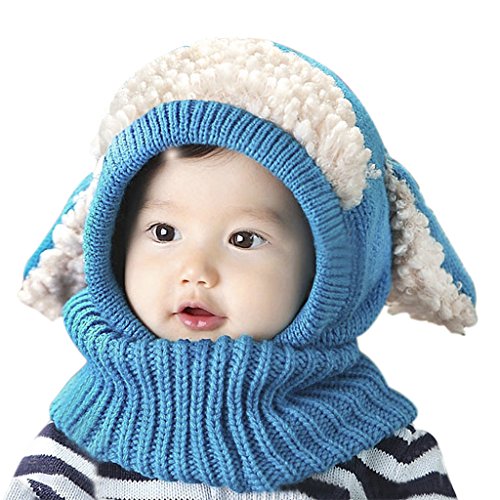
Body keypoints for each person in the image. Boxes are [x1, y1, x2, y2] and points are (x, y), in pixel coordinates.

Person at [5, 37, 477, 499]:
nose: (196, 270)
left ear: (333, 270)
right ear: (111, 242)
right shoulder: (80, 440)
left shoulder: (384, 453)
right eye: (164, 233)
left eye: (244, 239)